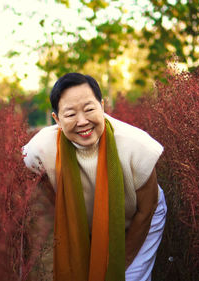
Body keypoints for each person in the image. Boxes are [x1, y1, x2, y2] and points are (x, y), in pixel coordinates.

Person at [22, 73, 166, 281]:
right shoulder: (41, 150)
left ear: (102, 106)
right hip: (85, 219)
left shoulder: (137, 146)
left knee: (128, 277)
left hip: (139, 215)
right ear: (57, 119)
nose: (82, 121)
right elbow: (48, 209)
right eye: (70, 114)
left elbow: (147, 210)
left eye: (89, 109)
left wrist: (118, 265)